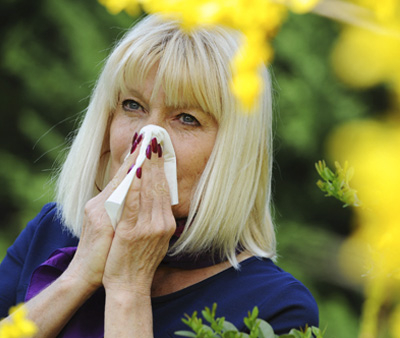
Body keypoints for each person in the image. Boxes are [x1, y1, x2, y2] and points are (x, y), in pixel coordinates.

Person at [0, 14, 318, 337]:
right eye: (133, 105)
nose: (148, 138)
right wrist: (77, 277)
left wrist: (128, 289)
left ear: (235, 150)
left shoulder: (276, 308)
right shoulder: (53, 230)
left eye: (186, 118)